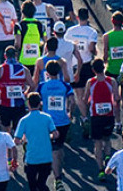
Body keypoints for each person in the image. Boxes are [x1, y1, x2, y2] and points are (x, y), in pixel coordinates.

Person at [38, 60, 75, 189]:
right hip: (63, 122)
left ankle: (58, 179)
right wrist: (70, 113)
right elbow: (72, 101)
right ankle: (58, 169)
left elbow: (36, 102)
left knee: (54, 150)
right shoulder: (65, 86)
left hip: (48, 123)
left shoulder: (42, 86)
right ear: (59, 71)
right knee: (59, 147)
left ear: (47, 73)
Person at [15, 92, 58, 191]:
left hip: (32, 158)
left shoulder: (24, 120)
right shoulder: (47, 117)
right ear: (40, 104)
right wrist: (48, 136)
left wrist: (23, 141)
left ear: (28, 103)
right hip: (46, 157)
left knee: (32, 186)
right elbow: (55, 134)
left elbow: (17, 140)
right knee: (42, 183)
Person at [85, 57, 120, 180]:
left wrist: (90, 103)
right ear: (104, 68)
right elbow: (117, 98)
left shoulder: (90, 82)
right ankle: (108, 155)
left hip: (96, 116)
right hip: (109, 115)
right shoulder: (112, 81)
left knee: (97, 143)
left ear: (93, 70)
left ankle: (101, 170)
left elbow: (85, 99)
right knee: (107, 139)